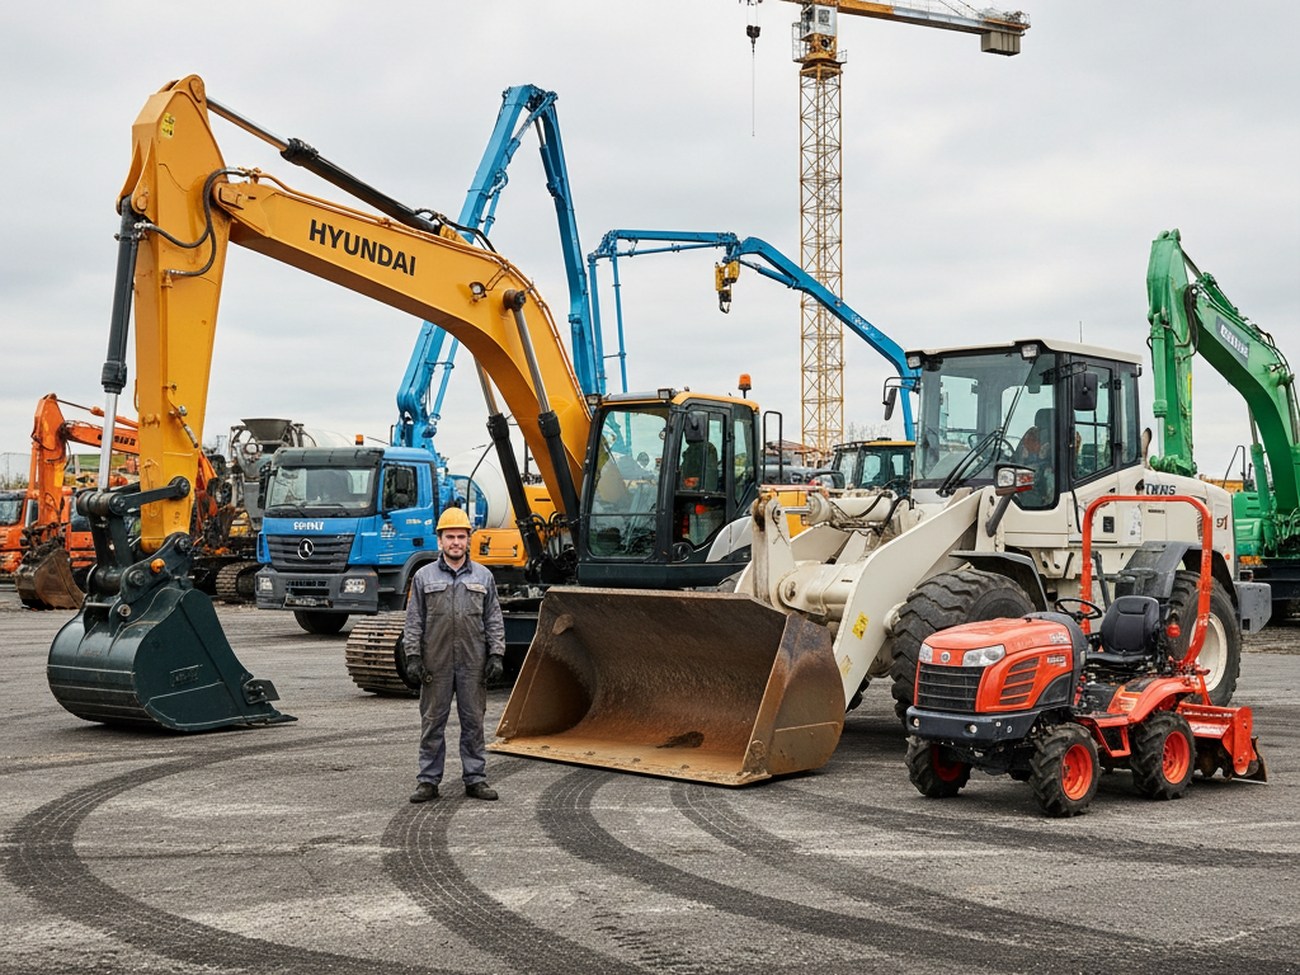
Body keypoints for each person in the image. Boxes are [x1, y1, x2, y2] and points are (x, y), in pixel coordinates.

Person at [403, 506, 505, 803]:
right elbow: (414, 620)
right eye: (450, 537)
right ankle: (428, 781)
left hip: (474, 662)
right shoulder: (423, 577)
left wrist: (496, 655)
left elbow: (494, 618)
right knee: (432, 722)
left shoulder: (484, 576)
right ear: (440, 541)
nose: (456, 542)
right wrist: (413, 656)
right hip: (435, 663)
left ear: (468, 539)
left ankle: (475, 778)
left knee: (473, 722)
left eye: (461, 536)